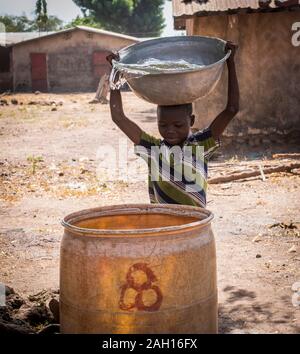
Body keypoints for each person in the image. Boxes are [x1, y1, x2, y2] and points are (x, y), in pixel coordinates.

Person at [106, 41, 239, 208]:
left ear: (191, 121)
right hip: (164, 223)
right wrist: (115, 71)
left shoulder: (201, 145)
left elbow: (232, 109)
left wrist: (230, 63)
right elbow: (118, 117)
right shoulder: (152, 149)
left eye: (178, 125)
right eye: (163, 125)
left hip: (195, 223)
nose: (170, 131)